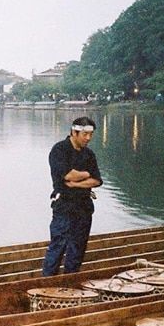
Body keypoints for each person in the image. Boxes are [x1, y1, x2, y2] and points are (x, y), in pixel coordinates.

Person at [42, 116, 103, 276]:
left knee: (78, 248)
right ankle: (48, 283)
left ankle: (70, 282)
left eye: (91, 135)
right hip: (64, 205)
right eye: (85, 134)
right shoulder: (60, 150)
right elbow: (68, 175)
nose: (88, 138)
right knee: (58, 246)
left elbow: (96, 180)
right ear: (74, 132)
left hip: (83, 207)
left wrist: (77, 182)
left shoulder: (89, 154)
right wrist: (85, 175)